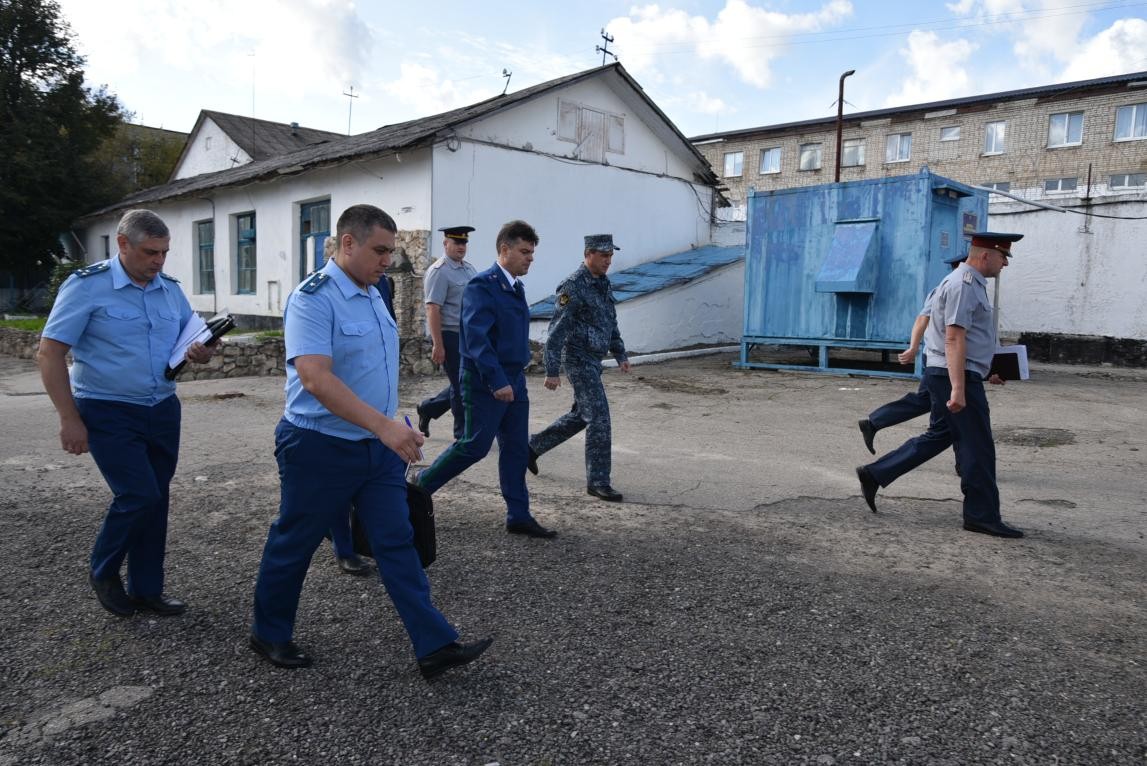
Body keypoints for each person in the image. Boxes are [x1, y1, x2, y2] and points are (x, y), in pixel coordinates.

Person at [249, 204, 492, 677]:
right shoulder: (312, 299)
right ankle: (269, 632)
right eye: (379, 250)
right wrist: (384, 427)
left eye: (390, 251)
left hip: (377, 449)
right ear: (347, 243)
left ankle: (434, 645)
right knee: (295, 540)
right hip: (319, 446)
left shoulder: (375, 291)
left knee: (397, 540)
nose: (387, 260)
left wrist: (395, 425)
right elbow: (316, 379)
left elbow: (371, 370)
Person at [38, 209, 217, 617]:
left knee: (156, 499)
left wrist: (203, 352)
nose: (158, 261)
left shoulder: (169, 289)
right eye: (150, 252)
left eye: (164, 253)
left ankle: (147, 588)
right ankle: (103, 570)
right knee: (138, 494)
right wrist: (69, 418)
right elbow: (50, 353)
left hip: (161, 408)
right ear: (122, 244)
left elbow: (192, 340)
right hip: (107, 409)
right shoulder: (87, 287)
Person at [855, 232, 1024, 539]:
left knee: (940, 436)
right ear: (986, 255)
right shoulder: (964, 285)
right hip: (952, 377)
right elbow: (954, 337)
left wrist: (987, 371)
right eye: (1003, 257)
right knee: (978, 448)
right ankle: (980, 515)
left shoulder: (966, 284)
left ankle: (875, 473)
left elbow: (968, 341)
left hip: (952, 374)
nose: (1005, 265)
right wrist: (959, 388)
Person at [414, 220, 557, 539]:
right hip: (485, 381)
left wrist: (516, 373)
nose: (529, 258)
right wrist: (496, 381)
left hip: (514, 379)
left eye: (532, 253)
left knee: (516, 448)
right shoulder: (483, 285)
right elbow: (476, 339)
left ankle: (518, 514)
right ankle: (418, 488)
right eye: (524, 251)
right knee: (474, 446)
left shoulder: (515, 286)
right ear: (504, 249)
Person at [528, 234, 630, 501]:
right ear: (588, 254)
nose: (608, 261)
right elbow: (556, 331)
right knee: (599, 417)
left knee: (581, 415)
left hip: (594, 360)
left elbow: (610, 320)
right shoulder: (573, 286)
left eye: (610, 256)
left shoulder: (603, 283)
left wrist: (620, 352)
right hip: (578, 359)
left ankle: (532, 447)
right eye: (603, 255)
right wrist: (552, 370)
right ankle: (598, 481)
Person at [858, 253, 966, 463]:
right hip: (944, 363)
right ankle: (966, 465)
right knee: (953, 417)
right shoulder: (950, 290)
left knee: (926, 401)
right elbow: (922, 320)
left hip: (939, 361)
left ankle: (874, 422)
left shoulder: (950, 288)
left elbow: (923, 319)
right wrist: (913, 347)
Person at [416, 226, 477, 440]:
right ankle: (463, 433)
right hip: (450, 335)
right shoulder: (439, 271)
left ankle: (428, 409)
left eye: (464, 243)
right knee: (461, 385)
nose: (461, 247)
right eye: (456, 242)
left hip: (469, 335)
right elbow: (433, 308)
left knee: (465, 381)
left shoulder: (468, 269)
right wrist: (437, 344)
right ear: (445, 244)